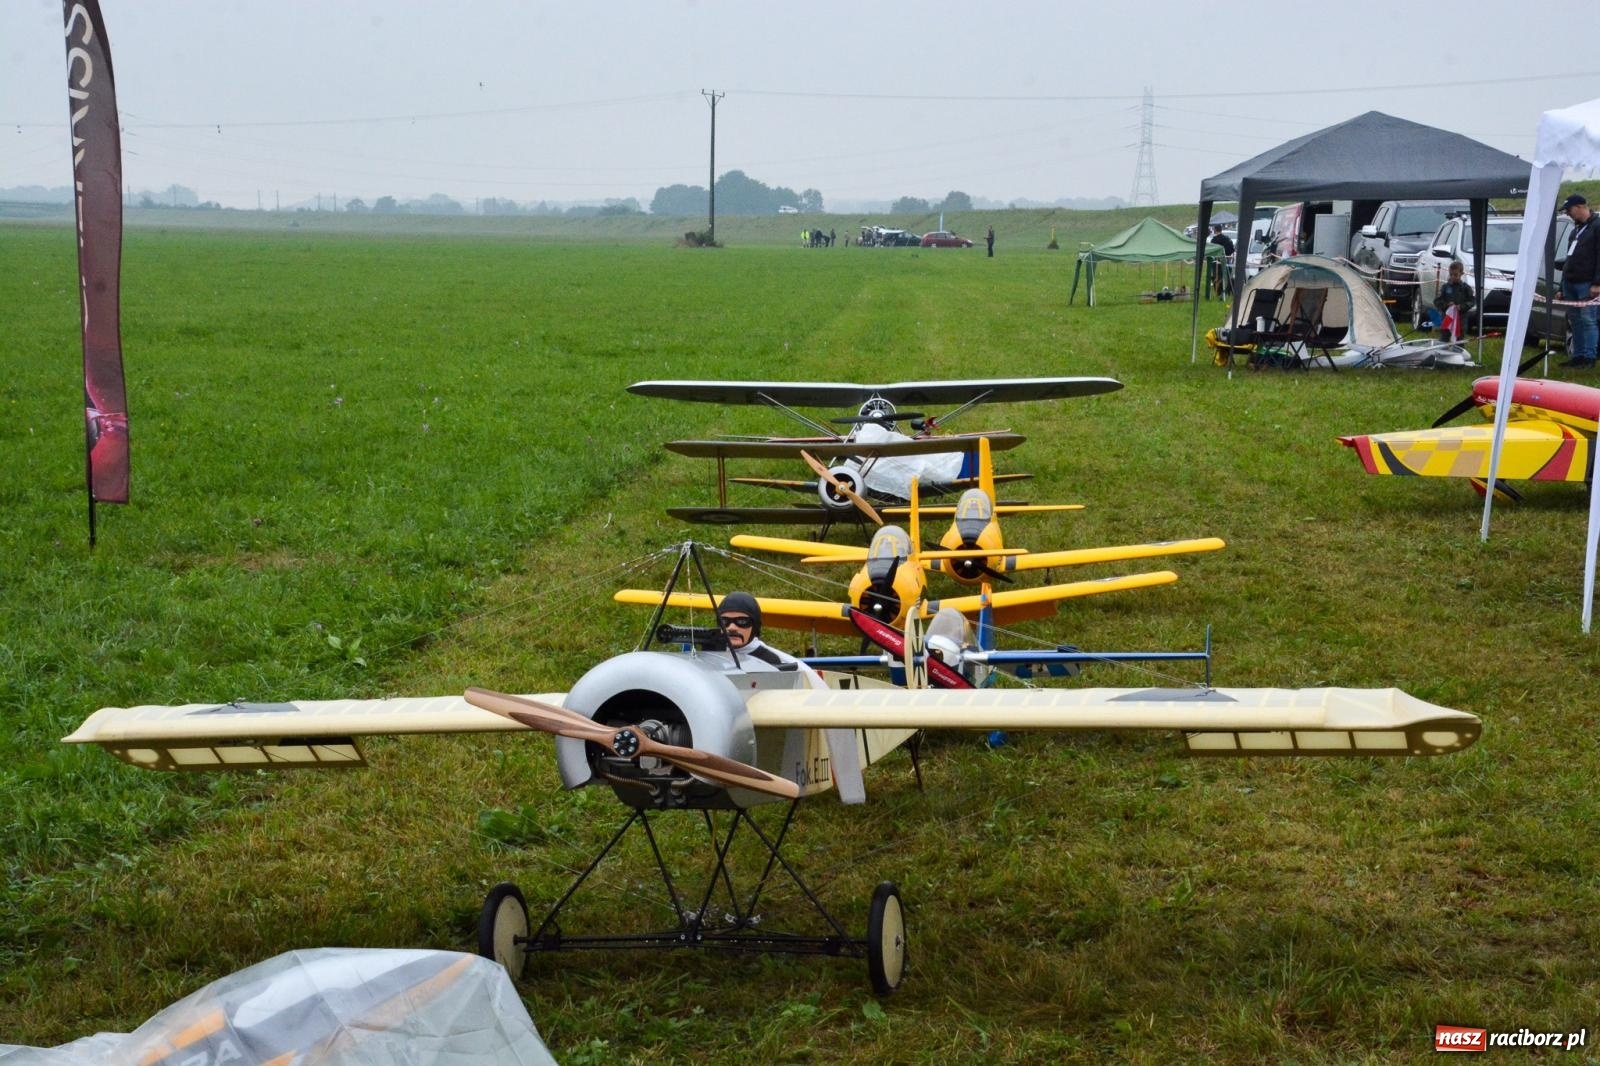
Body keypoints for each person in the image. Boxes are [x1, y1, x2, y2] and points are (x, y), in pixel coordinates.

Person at [712, 592, 803, 671]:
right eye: (724, 621)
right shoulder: (711, 657)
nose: (731, 627)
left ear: (755, 626)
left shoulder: (769, 661)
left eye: (742, 621)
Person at [1559, 194, 1599, 369]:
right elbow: (1569, 258)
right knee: (1574, 320)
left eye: (1569, 210)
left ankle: (1590, 356)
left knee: (1588, 320)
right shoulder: (1575, 230)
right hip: (1570, 281)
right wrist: (1561, 286)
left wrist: (1597, 283)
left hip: (1587, 282)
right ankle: (1578, 354)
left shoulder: (1597, 226)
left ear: (1580, 207)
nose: (1568, 214)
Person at [1433, 260, 1476, 343]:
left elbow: (1472, 301)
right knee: (1443, 340)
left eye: (1455, 275)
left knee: (1459, 341)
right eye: (1451, 274)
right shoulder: (1445, 287)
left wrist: (1461, 306)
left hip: (1461, 320)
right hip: (1447, 318)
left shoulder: (1466, 288)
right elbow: (1437, 301)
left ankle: (1459, 355)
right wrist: (1446, 305)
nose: (1452, 277)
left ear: (1461, 274)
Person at [1208, 224, 1235, 298]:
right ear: (1221, 230)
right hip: (1227, 260)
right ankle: (1228, 291)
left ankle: (1219, 292)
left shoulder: (1214, 240)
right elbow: (1232, 249)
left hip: (1217, 262)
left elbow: (1212, 252)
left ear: (1215, 230)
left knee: (1217, 277)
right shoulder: (1227, 239)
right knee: (1228, 276)